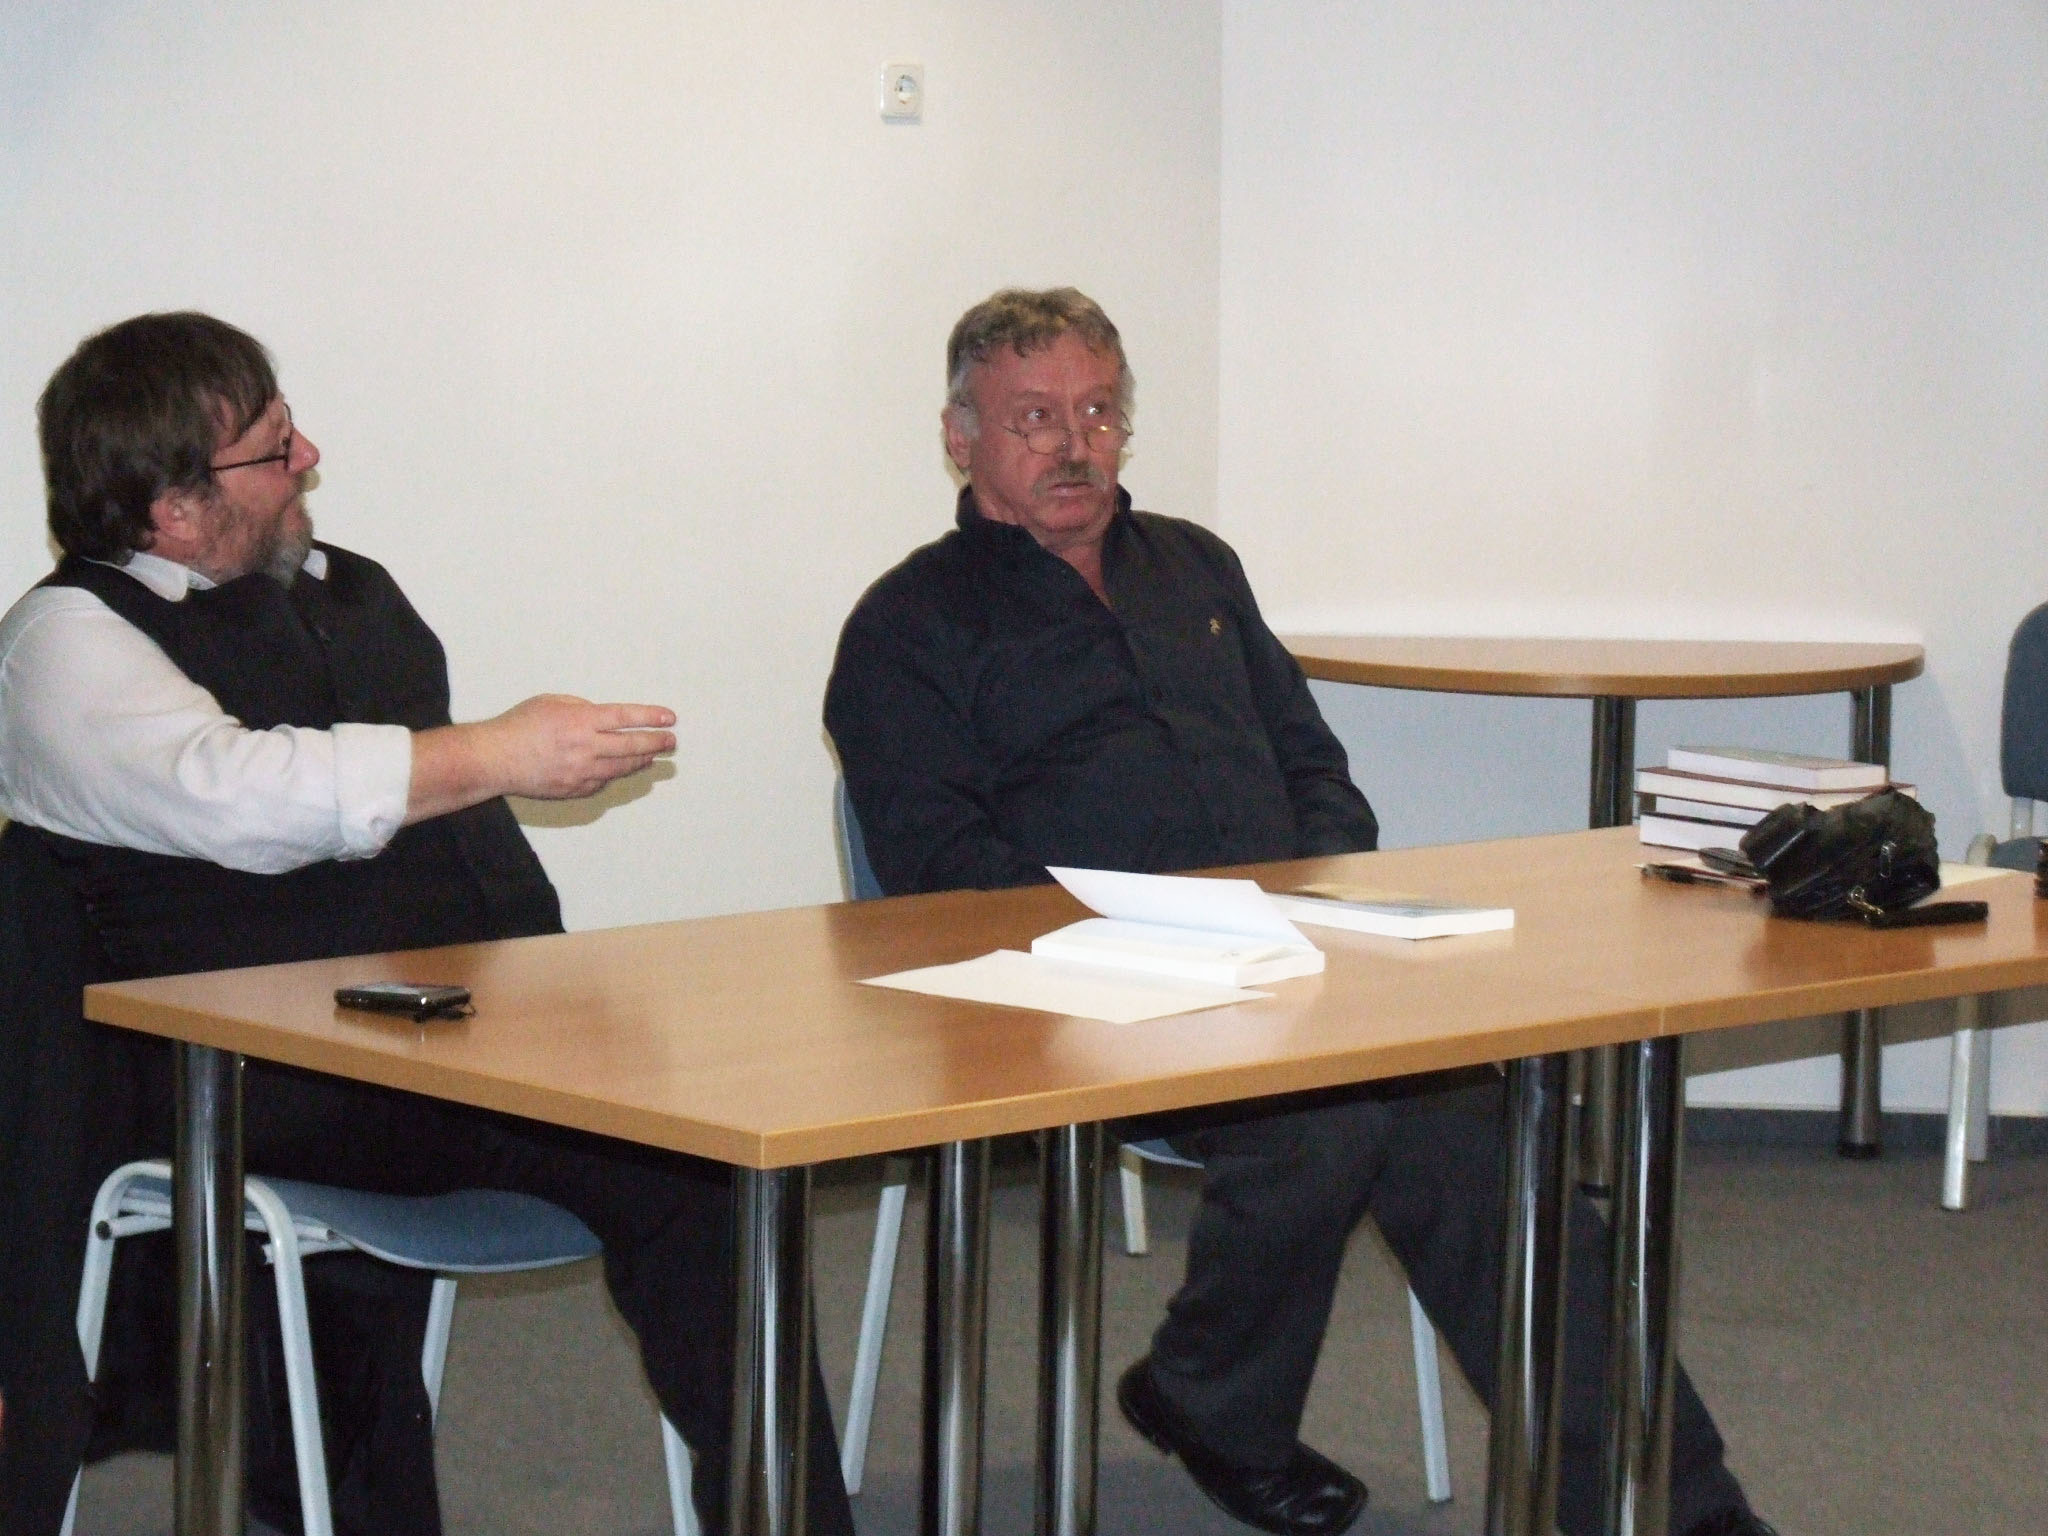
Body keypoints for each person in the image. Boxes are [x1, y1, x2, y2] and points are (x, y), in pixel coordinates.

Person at [824, 287, 1775, 1536]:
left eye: (1099, 412)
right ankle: (1218, 1403)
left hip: (1291, 961)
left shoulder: (1194, 567)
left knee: (1482, 1126)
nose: (1073, 445)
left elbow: (1312, 764)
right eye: (1034, 418)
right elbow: (935, 870)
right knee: (1327, 1118)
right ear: (961, 439)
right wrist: (1137, 947)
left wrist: (1325, 894)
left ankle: (1672, 1506)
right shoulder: (906, 626)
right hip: (1075, 995)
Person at [0, 312, 855, 1536]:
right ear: (172, 511)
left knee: (703, 1166)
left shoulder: (345, 590)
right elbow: (242, 799)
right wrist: (498, 753)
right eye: (273, 448)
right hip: (240, 1084)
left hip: (430, 1043)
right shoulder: (60, 646)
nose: (308, 459)